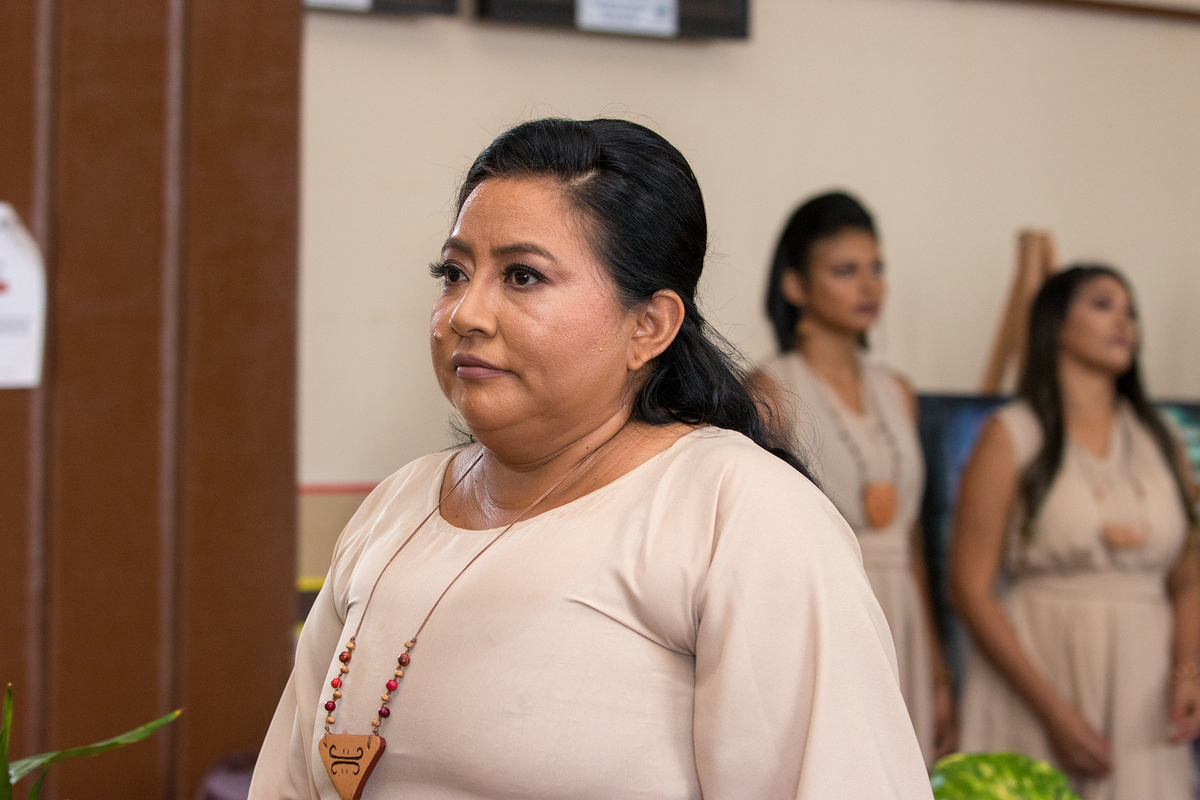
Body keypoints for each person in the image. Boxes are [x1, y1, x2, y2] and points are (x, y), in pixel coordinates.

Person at [248, 119, 932, 799]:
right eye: (454, 273)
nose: (465, 314)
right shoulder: (395, 510)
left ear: (649, 326)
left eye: (522, 276)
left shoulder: (740, 512)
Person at [951, 265, 1200, 799]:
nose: (1124, 322)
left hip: (1144, 684)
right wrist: (1054, 711)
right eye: (1103, 305)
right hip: (1038, 669)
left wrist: (1188, 670)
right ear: (1056, 323)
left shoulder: (1163, 438)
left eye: (1132, 311)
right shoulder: (1011, 435)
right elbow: (970, 589)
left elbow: (1187, 577)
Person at [749, 191, 956, 767]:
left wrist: (939, 670)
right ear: (794, 286)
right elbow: (758, 545)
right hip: (823, 614)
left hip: (902, 615)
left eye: (876, 268)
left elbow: (912, 545)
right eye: (845, 270)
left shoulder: (898, 391)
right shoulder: (769, 392)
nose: (869, 286)